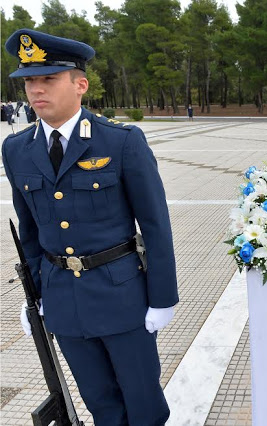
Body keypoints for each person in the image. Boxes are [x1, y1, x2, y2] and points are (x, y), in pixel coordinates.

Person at [3, 29, 179, 425]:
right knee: (99, 401)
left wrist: (162, 297)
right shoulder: (16, 149)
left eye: (48, 78)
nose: (35, 90)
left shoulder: (120, 142)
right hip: (62, 300)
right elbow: (28, 231)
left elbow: (155, 224)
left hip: (122, 297)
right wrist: (36, 296)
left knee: (143, 402)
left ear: (79, 84)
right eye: (29, 81)